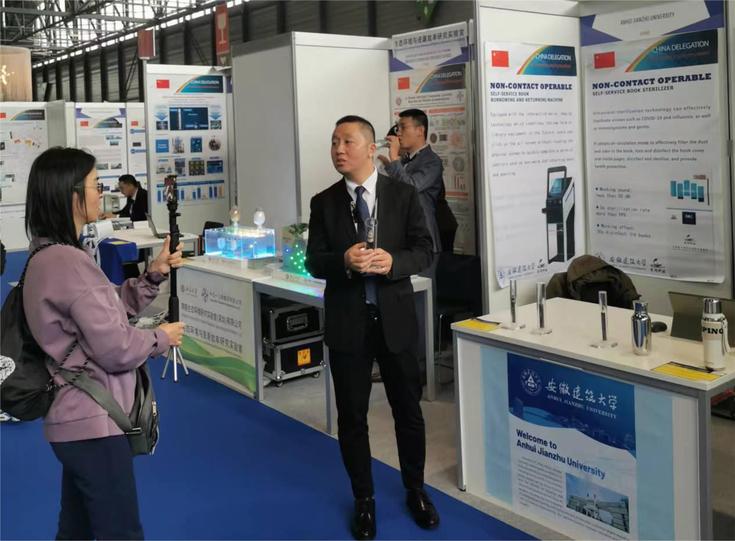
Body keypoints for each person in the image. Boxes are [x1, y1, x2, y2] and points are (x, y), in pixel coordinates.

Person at [23, 147, 185, 540]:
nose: (102, 194)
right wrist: (160, 338)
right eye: (96, 185)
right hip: (92, 423)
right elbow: (115, 347)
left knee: (76, 530)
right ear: (72, 195)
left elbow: (106, 307)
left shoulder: (49, 256)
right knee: (121, 532)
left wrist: (153, 276)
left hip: (75, 418)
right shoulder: (67, 262)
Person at [306, 116, 439, 540]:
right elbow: (314, 261)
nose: (338, 149)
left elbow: (425, 250)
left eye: (347, 141)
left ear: (369, 148)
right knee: (352, 417)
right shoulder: (324, 202)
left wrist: (394, 262)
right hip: (349, 323)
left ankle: (415, 489)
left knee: (408, 411)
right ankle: (364, 499)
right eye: (334, 142)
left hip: (395, 320)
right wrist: (344, 262)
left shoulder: (402, 194)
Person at [377, 109, 446, 278]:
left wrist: (394, 158)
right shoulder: (404, 160)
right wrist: (388, 166)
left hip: (423, 239)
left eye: (403, 127)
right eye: (397, 127)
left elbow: (411, 187)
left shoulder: (432, 161)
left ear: (420, 130)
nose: (398, 132)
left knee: (424, 290)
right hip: (401, 238)